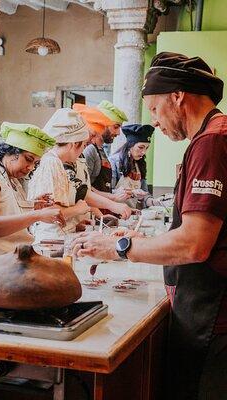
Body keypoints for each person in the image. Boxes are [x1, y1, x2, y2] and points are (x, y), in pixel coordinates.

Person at [72, 52, 227, 400]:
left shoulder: (211, 142)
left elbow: (195, 244)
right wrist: (142, 239)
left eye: (155, 109)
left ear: (177, 96)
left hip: (213, 310)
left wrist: (121, 247)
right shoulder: (212, 135)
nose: (154, 122)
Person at [0, 122, 65, 261]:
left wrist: (32, 206)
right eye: (28, 159)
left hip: (10, 259)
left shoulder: (13, 180)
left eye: (35, 163)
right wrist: (37, 215)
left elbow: (8, 210)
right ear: (11, 151)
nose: (31, 168)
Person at [28, 108, 132, 242]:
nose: (84, 149)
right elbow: (49, 212)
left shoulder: (58, 162)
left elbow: (75, 193)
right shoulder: (51, 163)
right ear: (74, 144)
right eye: (83, 145)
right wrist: (78, 209)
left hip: (62, 235)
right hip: (50, 239)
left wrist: (75, 224)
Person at [73, 101, 128, 200]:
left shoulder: (101, 150)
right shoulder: (89, 150)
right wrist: (112, 198)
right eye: (116, 127)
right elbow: (84, 188)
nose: (118, 133)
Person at [109, 124, 156, 208]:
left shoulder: (140, 163)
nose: (144, 152)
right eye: (141, 147)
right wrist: (132, 192)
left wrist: (154, 202)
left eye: (147, 148)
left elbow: (145, 193)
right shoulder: (114, 162)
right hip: (116, 211)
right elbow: (109, 193)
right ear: (130, 145)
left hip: (132, 213)